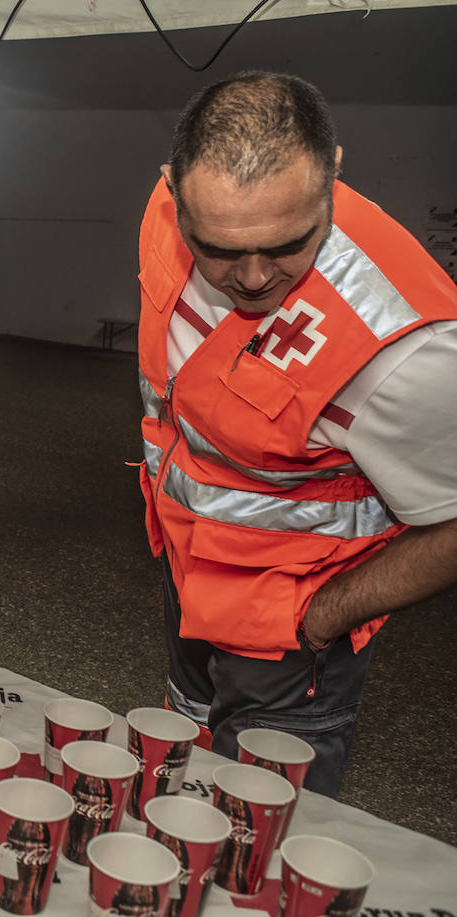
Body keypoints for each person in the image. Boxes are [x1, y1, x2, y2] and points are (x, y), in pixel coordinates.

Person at [137, 71, 457, 796]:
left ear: (333, 177)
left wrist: (324, 617)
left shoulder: (406, 353)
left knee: (262, 829)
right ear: (172, 191)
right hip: (189, 576)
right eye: (217, 247)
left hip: (291, 634)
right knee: (183, 763)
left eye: (289, 243)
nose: (250, 277)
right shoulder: (165, 212)